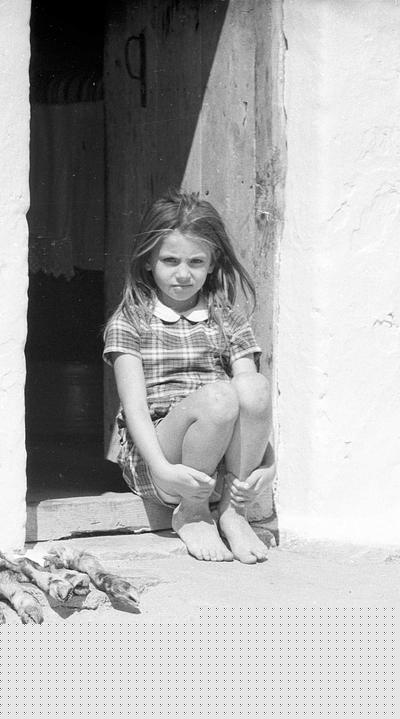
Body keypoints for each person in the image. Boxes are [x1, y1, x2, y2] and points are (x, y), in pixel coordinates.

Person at [103, 190, 275, 563]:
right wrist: (163, 469)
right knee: (219, 396)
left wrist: (267, 464)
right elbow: (135, 410)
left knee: (254, 386)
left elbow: (251, 402)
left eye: (196, 261)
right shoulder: (131, 320)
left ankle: (234, 512)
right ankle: (193, 514)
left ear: (212, 264)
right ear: (149, 261)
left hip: (219, 470)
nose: (183, 273)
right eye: (170, 260)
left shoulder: (227, 317)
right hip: (162, 461)